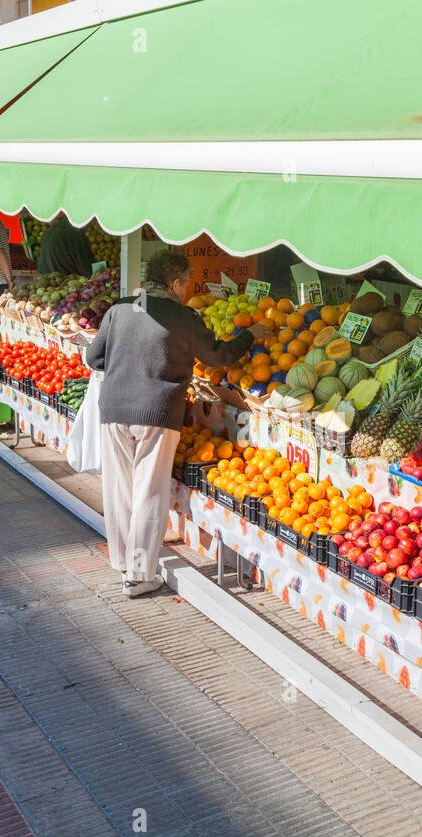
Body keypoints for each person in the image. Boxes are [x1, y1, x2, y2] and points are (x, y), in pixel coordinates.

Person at [86, 249, 271, 597]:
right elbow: (218, 356)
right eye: (187, 283)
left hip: (113, 409)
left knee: (120, 489)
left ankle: (125, 565)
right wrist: (251, 335)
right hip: (156, 412)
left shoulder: (121, 307)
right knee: (148, 490)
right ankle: (139, 576)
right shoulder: (184, 316)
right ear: (175, 282)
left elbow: (93, 357)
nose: (188, 290)